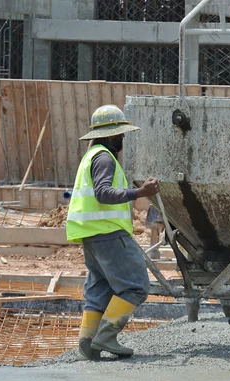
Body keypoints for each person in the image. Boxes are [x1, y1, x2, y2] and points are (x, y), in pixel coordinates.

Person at [66, 104, 159, 360]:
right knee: (136, 286)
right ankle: (106, 336)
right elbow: (103, 193)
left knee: (101, 288)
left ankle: (87, 340)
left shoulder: (91, 155)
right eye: (120, 134)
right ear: (110, 134)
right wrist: (140, 193)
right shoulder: (105, 158)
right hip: (109, 234)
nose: (123, 138)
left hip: (92, 235)